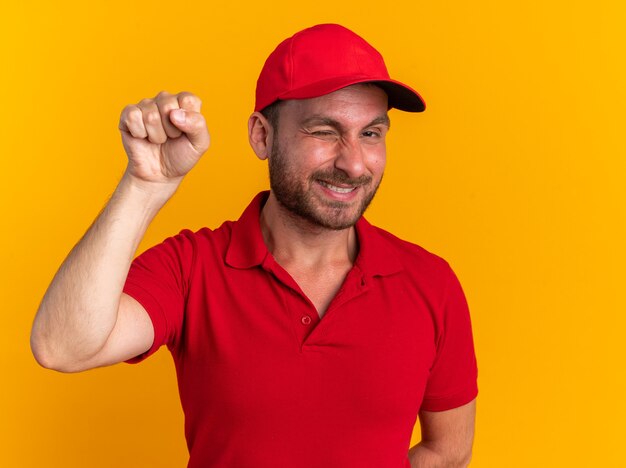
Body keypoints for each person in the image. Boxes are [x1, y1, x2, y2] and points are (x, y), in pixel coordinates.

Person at [31, 23, 478, 468]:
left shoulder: (431, 283)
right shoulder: (192, 267)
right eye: (325, 131)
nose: (354, 162)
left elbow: (447, 450)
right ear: (262, 136)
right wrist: (145, 185)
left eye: (371, 133)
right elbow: (63, 346)